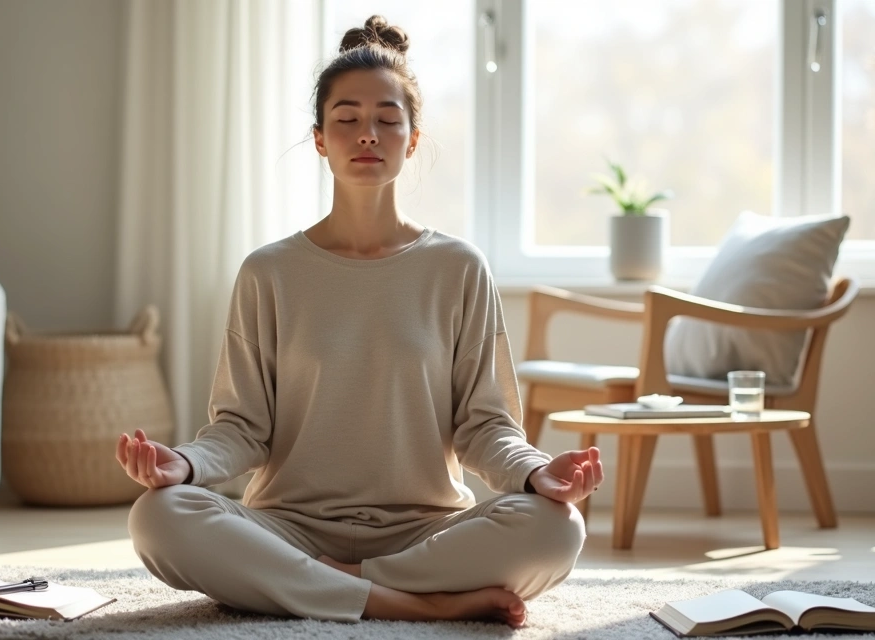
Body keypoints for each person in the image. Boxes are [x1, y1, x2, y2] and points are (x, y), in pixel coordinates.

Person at [116, 15, 605, 629]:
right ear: (320, 138)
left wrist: (537, 473)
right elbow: (242, 428)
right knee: (157, 516)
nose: (366, 134)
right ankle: (412, 603)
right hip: (287, 527)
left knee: (557, 528)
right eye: (346, 119)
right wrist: (183, 465)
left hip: (424, 531)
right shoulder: (268, 273)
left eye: (386, 119)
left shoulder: (458, 268)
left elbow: (485, 427)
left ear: (413, 138)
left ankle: (335, 588)